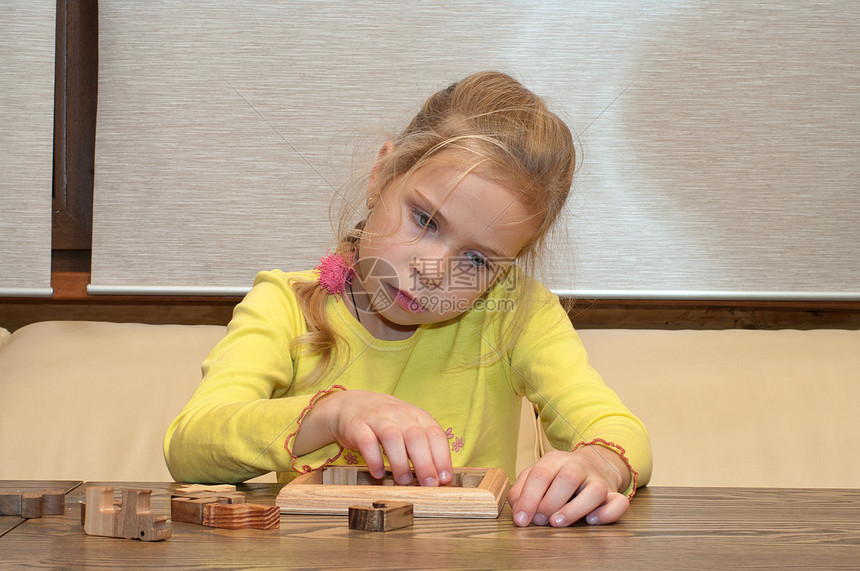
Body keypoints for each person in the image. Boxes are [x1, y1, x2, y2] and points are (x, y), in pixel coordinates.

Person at [164, 71, 652, 527]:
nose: (432, 271)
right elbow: (190, 443)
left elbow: (616, 428)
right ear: (381, 175)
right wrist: (331, 413)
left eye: (478, 261)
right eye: (425, 220)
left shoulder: (519, 314)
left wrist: (598, 464)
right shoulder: (285, 303)